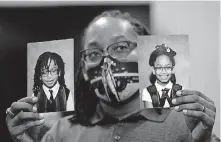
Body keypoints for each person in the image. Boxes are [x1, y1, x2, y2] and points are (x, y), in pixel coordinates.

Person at [6, 10, 218, 142]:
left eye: (121, 47)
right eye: (94, 53)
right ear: (85, 71)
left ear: (146, 55)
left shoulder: (185, 125)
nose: (106, 60)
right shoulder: (61, 133)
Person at [142, 44, 183, 109]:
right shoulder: (147, 92)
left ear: (173, 69)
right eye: (159, 67)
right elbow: (150, 115)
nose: (163, 71)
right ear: (153, 70)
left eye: (167, 67)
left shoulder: (181, 90)